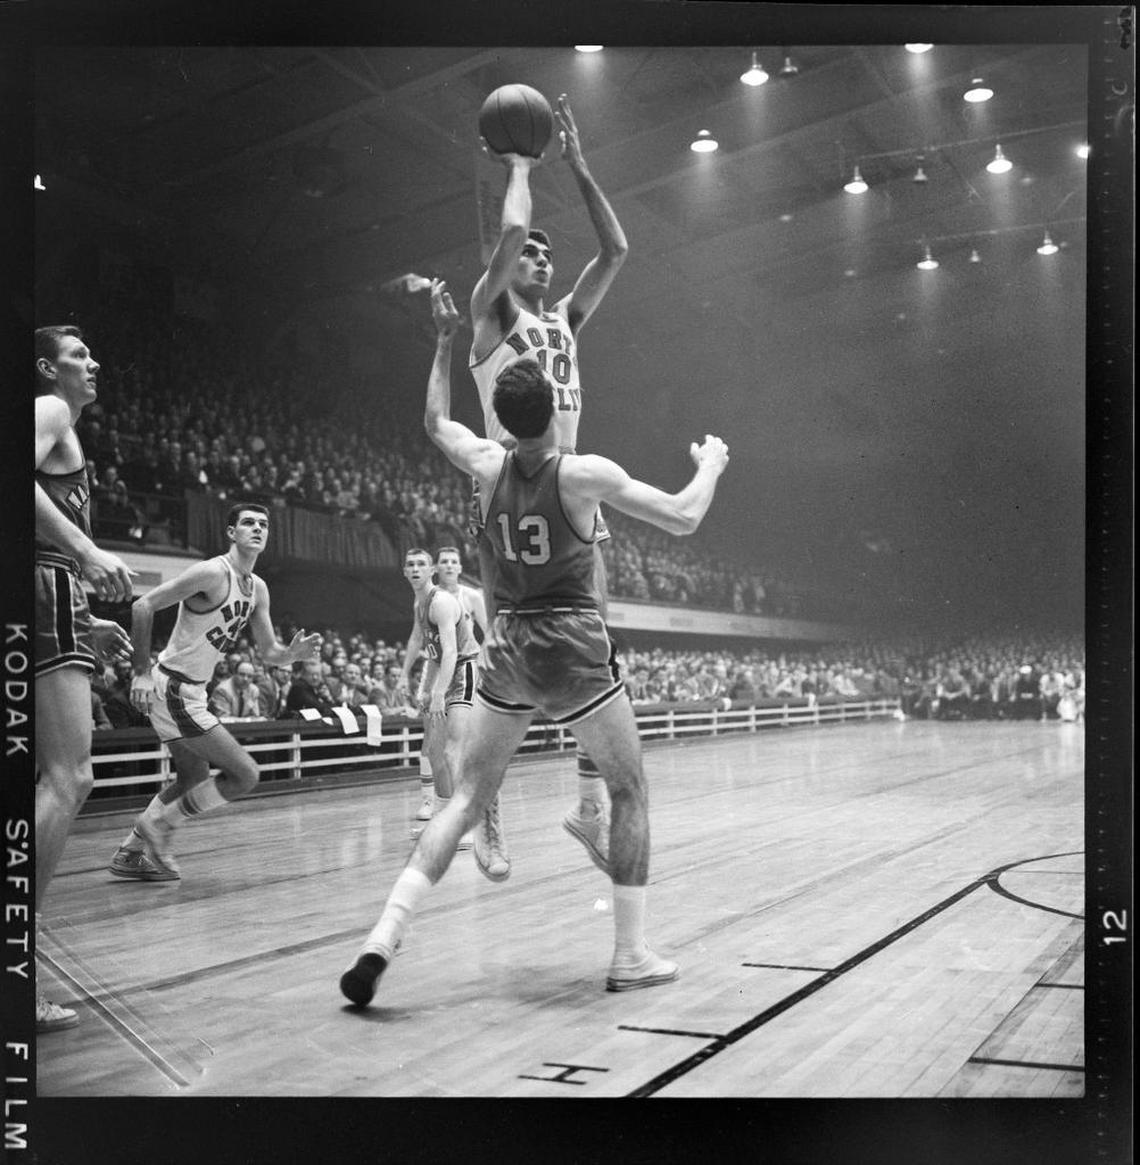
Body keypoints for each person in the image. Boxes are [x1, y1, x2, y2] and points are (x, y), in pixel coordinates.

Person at [338, 281, 728, 1005]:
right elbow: (681, 518)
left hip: (509, 645)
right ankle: (630, 953)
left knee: (464, 800)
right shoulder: (582, 474)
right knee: (629, 787)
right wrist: (710, 464)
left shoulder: (485, 465)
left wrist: (445, 341)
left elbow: (433, 422)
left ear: (509, 416)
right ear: (555, 405)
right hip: (572, 642)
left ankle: (383, 936)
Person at [469, 95, 629, 871]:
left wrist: (582, 167)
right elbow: (504, 233)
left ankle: (590, 808)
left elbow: (617, 250)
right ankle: (483, 806)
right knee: (505, 650)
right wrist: (522, 167)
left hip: (565, 493)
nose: (537, 255)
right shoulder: (493, 315)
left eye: (543, 252)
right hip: (506, 487)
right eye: (529, 251)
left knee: (596, 647)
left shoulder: (563, 320)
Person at [108, 504, 321, 881]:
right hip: (172, 687)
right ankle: (162, 826)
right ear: (231, 532)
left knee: (192, 777)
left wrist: (292, 655)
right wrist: (139, 672)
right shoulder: (211, 571)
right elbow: (144, 605)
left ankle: (130, 851)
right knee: (245, 775)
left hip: (191, 693)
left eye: (263, 524)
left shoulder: (257, 588)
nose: (257, 529)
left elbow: (269, 652)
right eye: (248, 523)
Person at [34, 324, 135, 1032]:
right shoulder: (49, 409)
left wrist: (87, 614)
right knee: (71, 777)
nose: (92, 361)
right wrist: (84, 550)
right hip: (46, 583)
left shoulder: (64, 428)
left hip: (52, 585)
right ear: (47, 368)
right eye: (78, 355)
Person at [395, 548, 486, 863]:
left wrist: (437, 693)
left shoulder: (442, 602)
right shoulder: (419, 603)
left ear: (431, 569)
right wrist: (424, 687)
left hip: (463, 670)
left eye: (422, 564)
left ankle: (465, 827)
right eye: (411, 565)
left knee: (452, 751)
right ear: (404, 571)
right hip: (442, 672)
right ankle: (444, 820)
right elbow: (429, 651)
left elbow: (450, 652)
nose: (416, 569)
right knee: (433, 751)